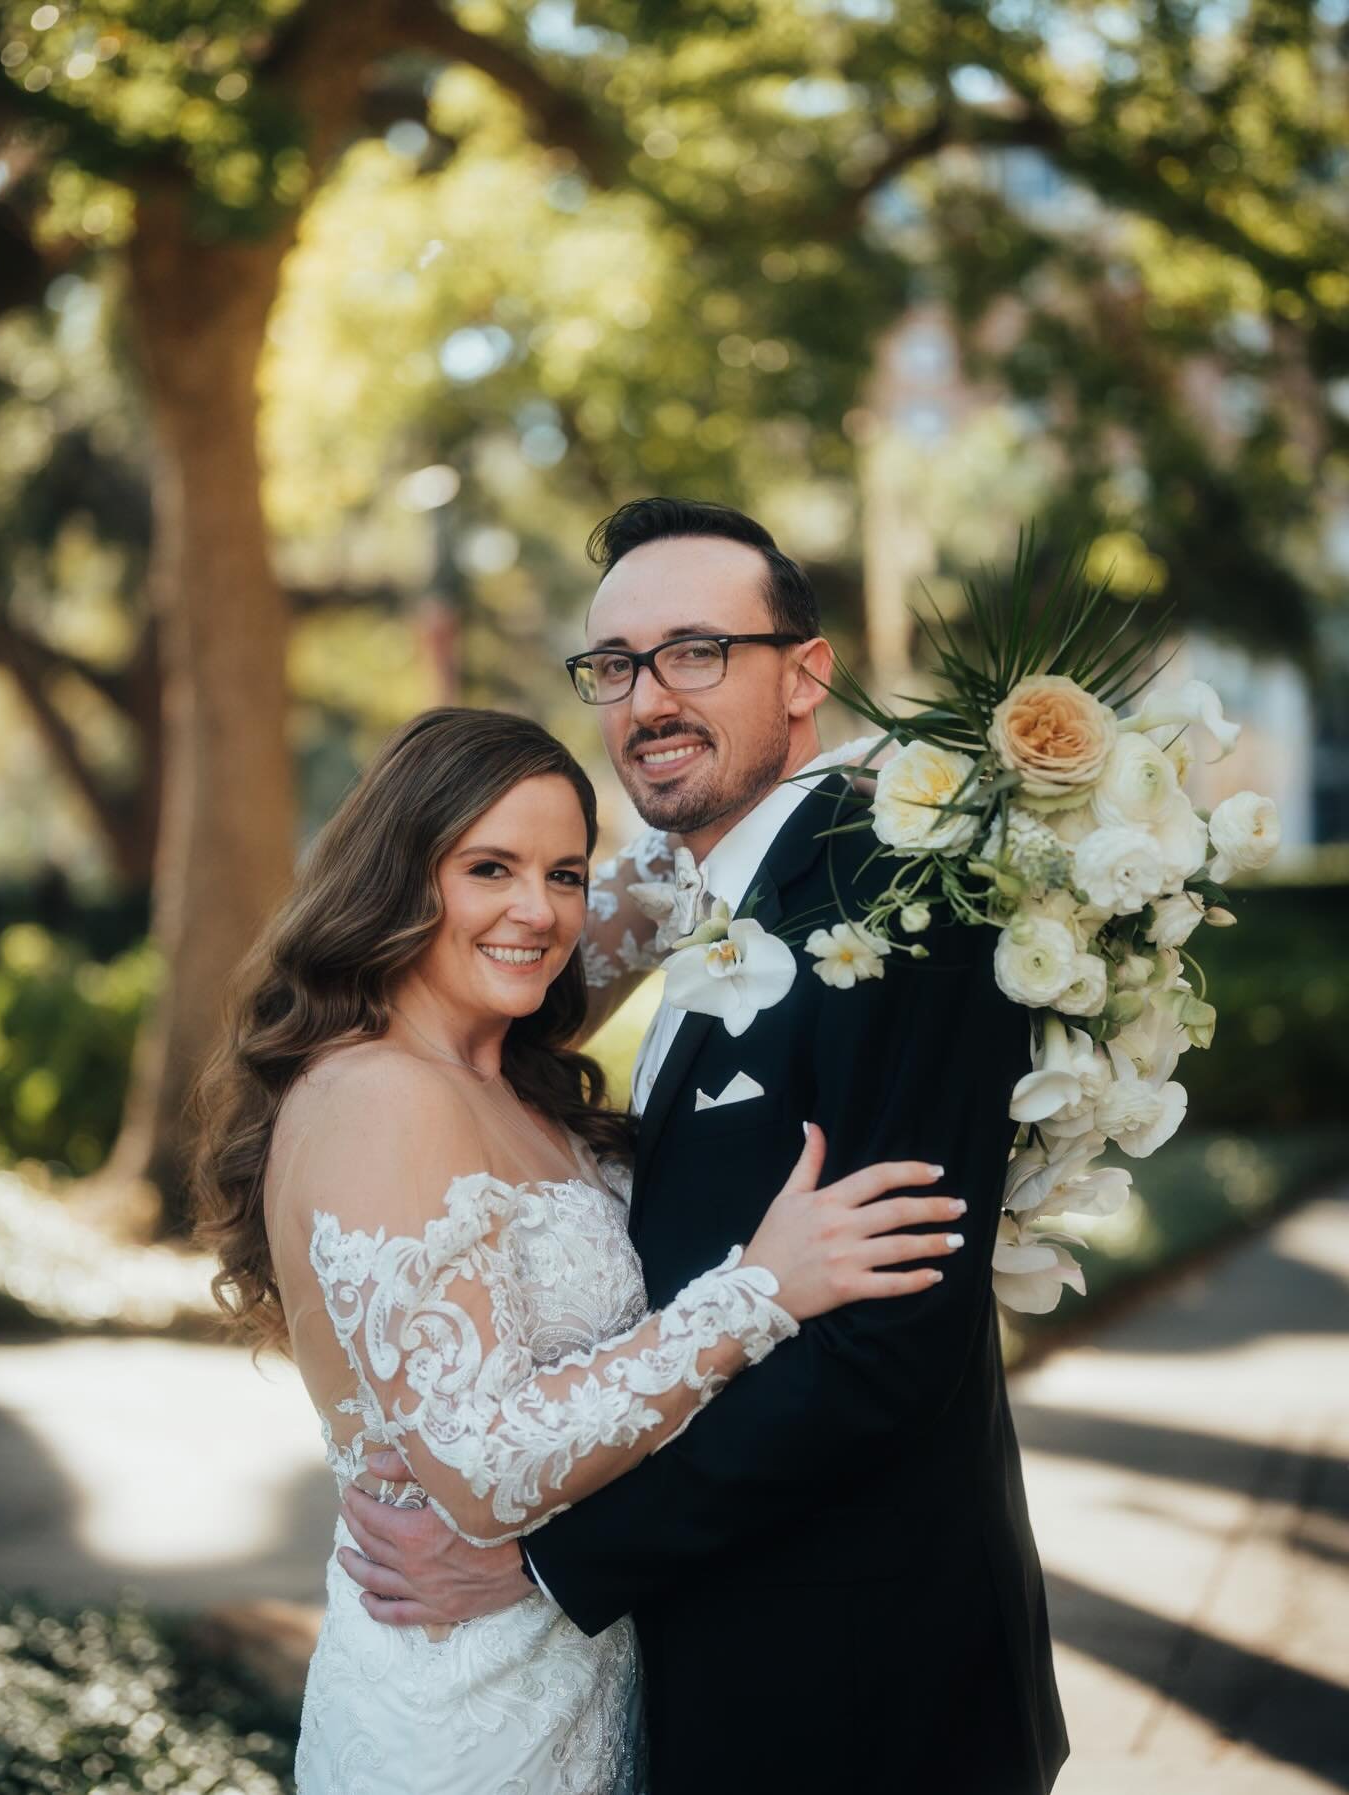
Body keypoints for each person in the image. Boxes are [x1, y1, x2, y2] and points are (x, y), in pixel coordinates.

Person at [341, 499, 1070, 1794]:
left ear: (806, 672)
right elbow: (473, 977)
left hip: (863, 1684)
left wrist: (551, 1561)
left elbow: (887, 1347)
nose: (647, 697)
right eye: (614, 664)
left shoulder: (899, 896)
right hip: (716, 1661)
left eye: (695, 649)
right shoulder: (713, 896)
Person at [194, 703, 968, 1795]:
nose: (538, 910)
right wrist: (757, 1290)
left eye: (565, 873)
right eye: (489, 867)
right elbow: (482, 1471)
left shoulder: (505, 1067)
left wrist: (913, 752)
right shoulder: (380, 1096)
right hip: (461, 1716)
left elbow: (671, 861)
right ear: (399, 878)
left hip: (585, 1664)